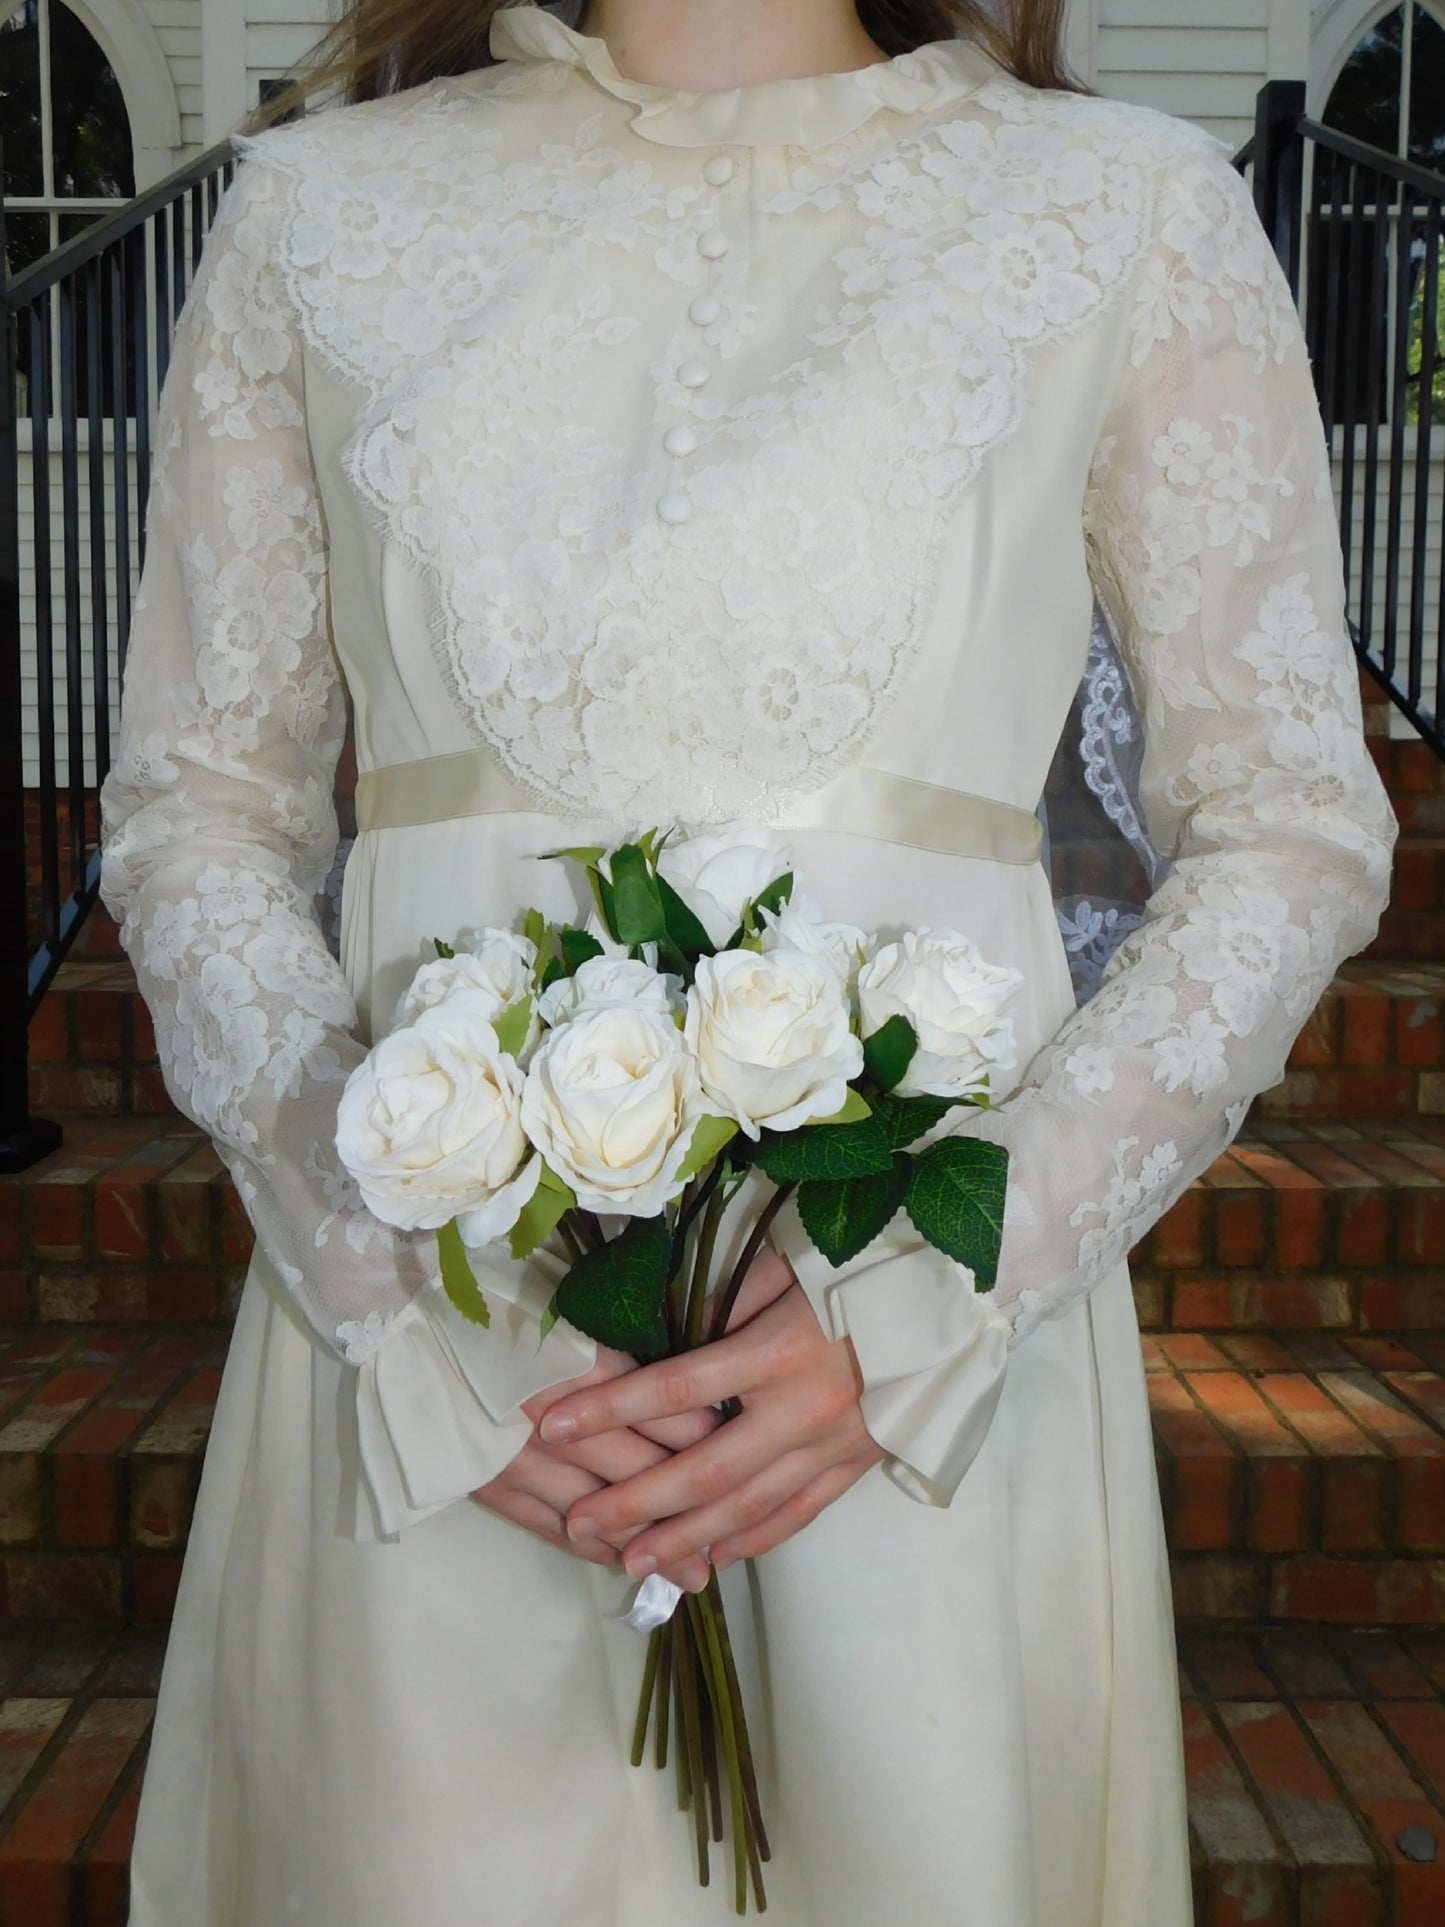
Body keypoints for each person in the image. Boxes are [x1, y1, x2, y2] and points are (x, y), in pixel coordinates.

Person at [98, 1, 1397, 1921]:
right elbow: (198, 810)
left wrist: (930, 1313)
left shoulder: (1126, 209)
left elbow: (1289, 824)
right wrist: (386, 1303)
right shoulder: (315, 212)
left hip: (910, 1393)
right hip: (441, 1387)